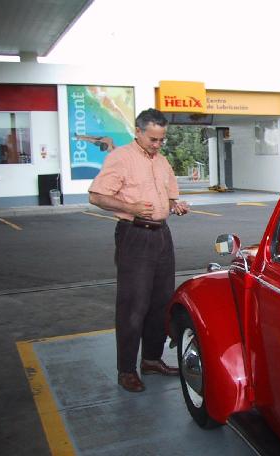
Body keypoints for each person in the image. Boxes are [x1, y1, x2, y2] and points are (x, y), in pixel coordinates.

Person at [88, 108, 189, 392]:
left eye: (161, 140)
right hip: (135, 236)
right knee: (133, 306)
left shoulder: (161, 161)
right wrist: (130, 208)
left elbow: (169, 197)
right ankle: (126, 370)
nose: (157, 145)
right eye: (153, 139)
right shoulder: (121, 158)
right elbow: (97, 196)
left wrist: (174, 206)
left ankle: (152, 359)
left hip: (161, 236)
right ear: (138, 132)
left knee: (160, 303)